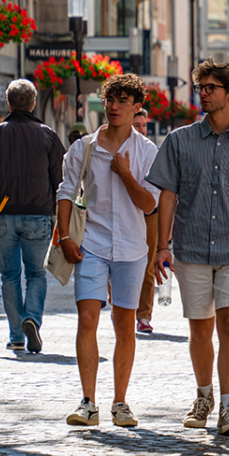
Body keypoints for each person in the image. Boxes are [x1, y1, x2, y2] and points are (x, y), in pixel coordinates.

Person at [146, 58, 229, 436]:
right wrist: (161, 246)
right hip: (191, 250)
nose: (202, 93)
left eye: (210, 88)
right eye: (200, 87)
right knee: (200, 331)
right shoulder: (179, 141)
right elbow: (167, 196)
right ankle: (203, 397)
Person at [56, 74, 160, 428]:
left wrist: (126, 175)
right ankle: (88, 402)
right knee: (87, 318)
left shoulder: (147, 152)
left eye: (122, 101)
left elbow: (150, 204)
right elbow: (66, 192)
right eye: (110, 100)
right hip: (92, 245)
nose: (114, 107)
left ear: (136, 108)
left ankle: (120, 402)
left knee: (124, 325)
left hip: (132, 249)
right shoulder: (84, 147)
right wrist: (64, 238)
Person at [0, 79, 65, 352]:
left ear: (9, 103)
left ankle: (16, 335)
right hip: (38, 214)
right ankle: (31, 318)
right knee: (36, 274)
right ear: (33, 103)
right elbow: (60, 179)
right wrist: (62, 215)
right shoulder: (47, 134)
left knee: (9, 276)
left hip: (4, 213)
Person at [131, 108, 160, 335]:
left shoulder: (151, 151)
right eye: (137, 125)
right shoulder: (114, 148)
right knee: (119, 261)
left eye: (144, 126)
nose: (141, 130)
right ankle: (121, 307)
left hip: (150, 216)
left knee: (148, 266)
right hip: (124, 215)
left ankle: (143, 316)